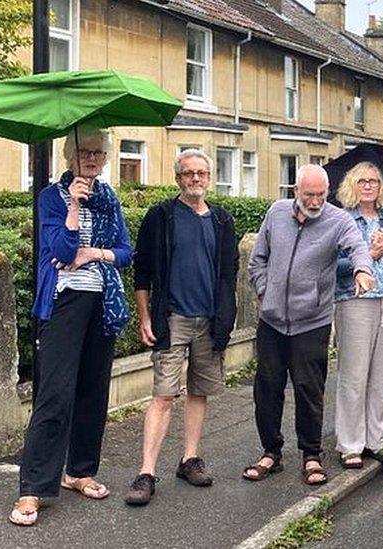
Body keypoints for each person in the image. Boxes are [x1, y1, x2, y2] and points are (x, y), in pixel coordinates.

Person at [10, 127, 133, 526]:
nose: (92, 159)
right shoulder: (51, 197)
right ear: (70, 156)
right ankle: (33, 487)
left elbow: (126, 252)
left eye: (98, 153)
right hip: (64, 302)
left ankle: (79, 471)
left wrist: (93, 253)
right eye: (84, 152)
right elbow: (60, 252)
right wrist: (74, 209)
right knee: (54, 395)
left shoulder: (110, 199)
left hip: (102, 301)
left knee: (93, 391)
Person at [245, 164, 375, 486]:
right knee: (267, 388)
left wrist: (362, 270)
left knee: (309, 389)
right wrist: (264, 289)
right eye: (309, 195)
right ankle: (270, 452)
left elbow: (357, 247)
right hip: (272, 321)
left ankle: (311, 455)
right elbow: (257, 258)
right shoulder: (276, 214)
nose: (316, 201)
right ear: (295, 192)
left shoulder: (338, 220)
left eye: (321, 195)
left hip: (312, 322)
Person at [124, 149, 239, 506]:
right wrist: (144, 316)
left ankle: (189, 459)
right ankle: (146, 472)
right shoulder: (161, 216)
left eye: (201, 173)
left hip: (209, 322)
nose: (195, 179)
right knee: (162, 396)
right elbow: (142, 271)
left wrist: (225, 318)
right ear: (178, 179)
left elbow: (228, 275)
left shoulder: (221, 220)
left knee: (198, 392)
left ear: (209, 178)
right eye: (188, 173)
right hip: (171, 319)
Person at [333, 162, 383, 469]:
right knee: (354, 373)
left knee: (382, 375)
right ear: (352, 185)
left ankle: (374, 441)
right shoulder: (341, 219)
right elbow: (333, 265)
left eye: (374, 181)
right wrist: (369, 255)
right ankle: (350, 444)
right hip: (355, 298)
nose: (368, 186)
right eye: (362, 181)